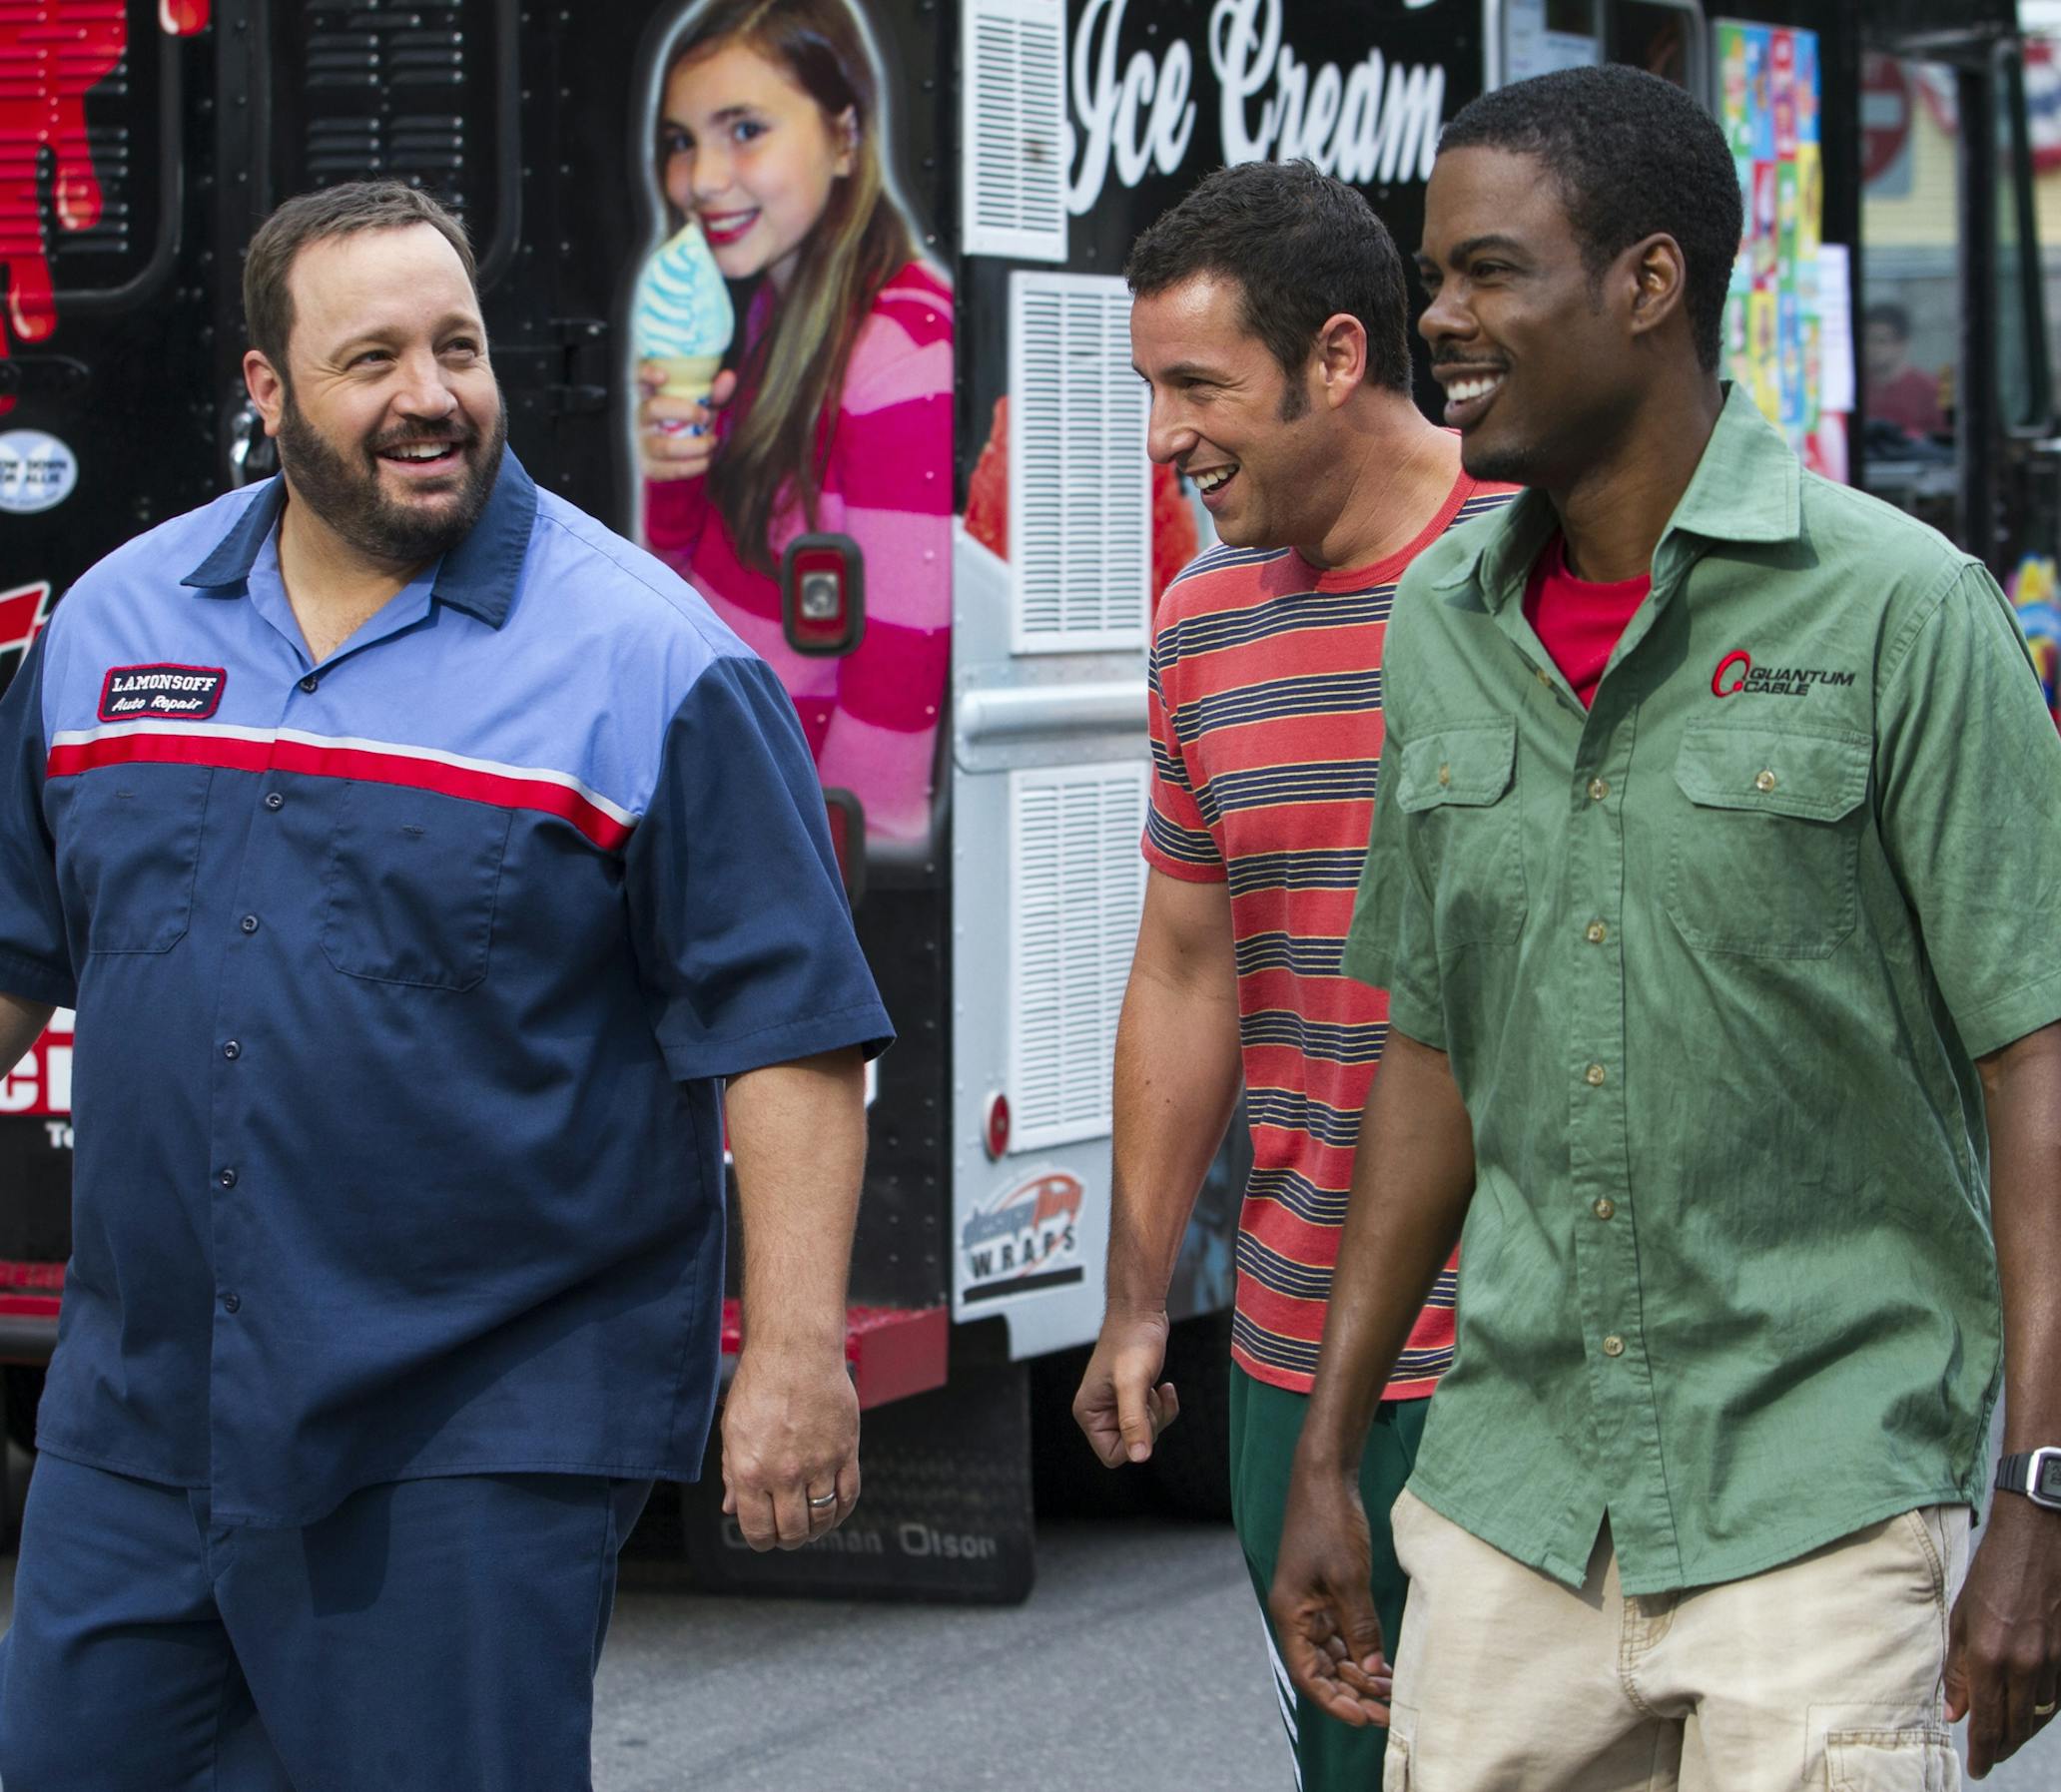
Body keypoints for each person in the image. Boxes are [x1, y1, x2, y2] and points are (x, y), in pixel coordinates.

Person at [1271, 64, 2061, 1791]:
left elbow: (2037, 1066)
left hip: (1819, 1490)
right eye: (1430, 272)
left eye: (1488, 272)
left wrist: (2043, 1496)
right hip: (1510, 1489)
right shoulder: (1441, 625)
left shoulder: (1901, 608)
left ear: (1649, 285)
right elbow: (1434, 1049)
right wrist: (1327, 1439)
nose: (1436, 317)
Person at [0, 181, 892, 1791]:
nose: (430, 397)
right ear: (267, 392)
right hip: (140, 1424)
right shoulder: (110, 629)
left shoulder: (652, 662)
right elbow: (10, 946)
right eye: (373, 360)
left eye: (458, 348)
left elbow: (791, 1030)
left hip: (471, 1432)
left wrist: (797, 1354)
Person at [1071, 160, 1514, 1792]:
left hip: (1529, 1350)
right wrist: (1133, 1305)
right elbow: (1189, 973)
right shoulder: (1202, 625)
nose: (1161, 436)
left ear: (1337, 359)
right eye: (1149, 389)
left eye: (1198, 387)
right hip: (1292, 1350)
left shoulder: (1535, 564)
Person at [638, 0, 952, 848]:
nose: (701, 179)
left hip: (796, 838)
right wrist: (674, 478)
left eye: (744, 129)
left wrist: (837, 871)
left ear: (845, 136)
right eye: (681, 140)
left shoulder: (899, 345)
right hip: (732, 794)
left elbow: (899, 678)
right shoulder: (766, 312)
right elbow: (686, 591)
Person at [1863, 300, 1946, 437]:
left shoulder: (1930, 389)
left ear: (1902, 344)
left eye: (1881, 341)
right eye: (1867, 340)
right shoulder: (1853, 389)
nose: (1871, 348)